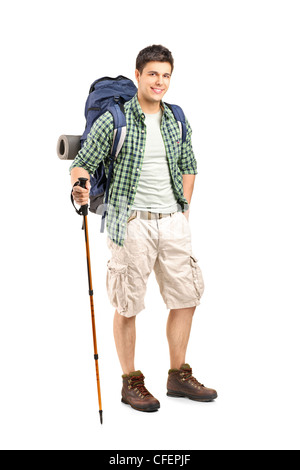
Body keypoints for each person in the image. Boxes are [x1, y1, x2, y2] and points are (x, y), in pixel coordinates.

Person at [70, 45, 217, 412]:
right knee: (128, 302)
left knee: (187, 297)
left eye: (166, 75)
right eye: (153, 74)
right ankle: (130, 381)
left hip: (172, 221)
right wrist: (79, 186)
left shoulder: (176, 118)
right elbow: (82, 163)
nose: (160, 82)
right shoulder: (114, 119)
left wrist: (183, 210)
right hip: (129, 221)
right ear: (137, 76)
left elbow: (189, 163)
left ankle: (177, 376)